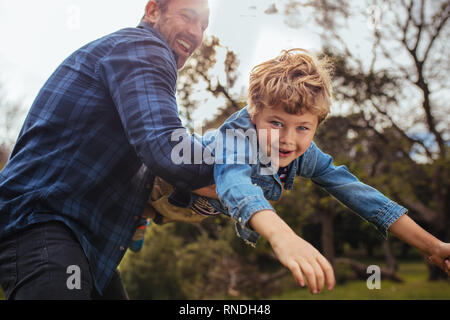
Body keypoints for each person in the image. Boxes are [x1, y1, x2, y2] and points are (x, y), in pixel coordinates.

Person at [140, 48, 450, 295]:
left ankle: (149, 218)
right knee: (147, 198)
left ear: (316, 124)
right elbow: (234, 181)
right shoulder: (237, 139)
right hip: (158, 183)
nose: (287, 139)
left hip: (192, 208)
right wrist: (283, 236)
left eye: (303, 127)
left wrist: (433, 246)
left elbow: (358, 194)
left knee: (166, 214)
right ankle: (140, 217)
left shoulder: (305, 154)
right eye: (275, 123)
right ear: (254, 115)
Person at [0, 0, 214, 300]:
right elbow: (167, 149)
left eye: (203, 26)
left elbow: (153, 161)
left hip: (80, 243)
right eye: (188, 17)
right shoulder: (145, 48)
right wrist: (237, 178)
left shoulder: (133, 57)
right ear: (153, 11)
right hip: (43, 225)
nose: (196, 33)